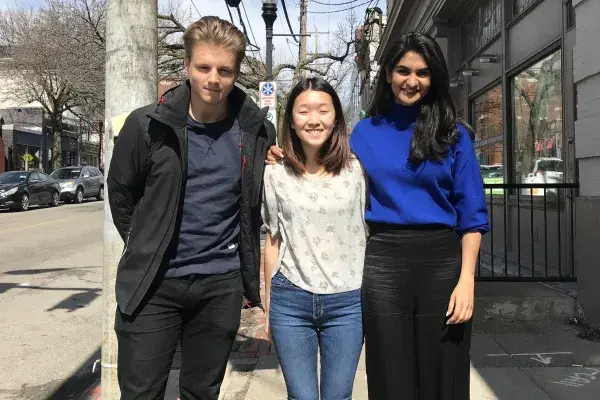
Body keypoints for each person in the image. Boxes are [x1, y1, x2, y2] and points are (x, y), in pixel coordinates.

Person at [267, 32, 489, 399]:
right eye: (403, 70)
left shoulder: (454, 134)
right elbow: (322, 166)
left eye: (422, 72)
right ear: (388, 73)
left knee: (443, 368)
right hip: (383, 261)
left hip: (442, 262)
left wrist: (467, 279)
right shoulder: (364, 133)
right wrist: (282, 155)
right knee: (390, 370)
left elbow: (472, 216)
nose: (412, 81)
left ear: (433, 77)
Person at [106, 16, 275, 400]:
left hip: (220, 286)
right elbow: (121, 195)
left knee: (202, 392)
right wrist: (145, 243)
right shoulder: (147, 126)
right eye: (203, 67)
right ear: (187, 67)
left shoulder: (257, 133)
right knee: (141, 392)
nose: (213, 78)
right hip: (154, 286)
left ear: (235, 73)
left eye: (224, 70)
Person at [261, 77, 368, 400]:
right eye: (304, 111)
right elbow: (272, 240)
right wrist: (269, 307)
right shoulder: (275, 171)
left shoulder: (357, 169)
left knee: (338, 396)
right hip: (290, 299)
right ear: (291, 121)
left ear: (335, 117)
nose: (314, 120)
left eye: (323, 110)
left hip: (348, 301)